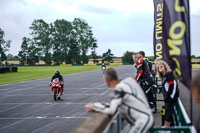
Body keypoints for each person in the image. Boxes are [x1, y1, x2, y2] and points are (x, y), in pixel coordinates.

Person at [85, 68, 154, 133]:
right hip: (145, 118)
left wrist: (94, 106)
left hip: (142, 121)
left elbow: (112, 109)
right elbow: (114, 104)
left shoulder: (120, 88)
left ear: (106, 79)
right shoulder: (126, 82)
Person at [157, 60, 179, 127]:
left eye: (161, 66)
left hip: (171, 97)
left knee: (167, 113)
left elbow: (172, 86)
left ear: (165, 67)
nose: (159, 67)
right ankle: (170, 126)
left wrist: (167, 98)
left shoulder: (169, 74)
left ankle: (166, 128)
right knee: (166, 111)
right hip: (168, 97)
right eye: (158, 67)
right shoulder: (164, 76)